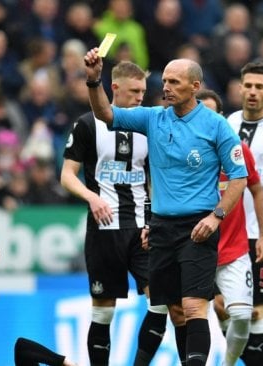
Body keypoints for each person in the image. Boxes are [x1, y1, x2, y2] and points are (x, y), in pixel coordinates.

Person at [84, 49, 248, 366]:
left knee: (193, 306)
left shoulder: (216, 126)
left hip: (198, 227)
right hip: (160, 227)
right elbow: (107, 114)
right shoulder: (153, 118)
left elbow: (239, 178)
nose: (166, 87)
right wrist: (94, 80)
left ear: (195, 86)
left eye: (174, 81)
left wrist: (216, 218)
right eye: (166, 80)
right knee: (174, 311)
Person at [60, 60, 168, 366]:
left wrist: (155, 219)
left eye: (144, 92)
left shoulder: (150, 125)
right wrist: (91, 197)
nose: (139, 98)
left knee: (160, 303)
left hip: (141, 231)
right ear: (115, 89)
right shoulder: (87, 124)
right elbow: (67, 175)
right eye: (134, 91)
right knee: (103, 311)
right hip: (104, 230)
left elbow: (154, 181)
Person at [198, 90, 263, 366]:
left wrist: (262, 234)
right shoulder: (184, 155)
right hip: (196, 248)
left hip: (234, 249)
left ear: (220, 118)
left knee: (242, 314)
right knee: (192, 314)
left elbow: (257, 189)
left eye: (211, 114)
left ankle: (228, 364)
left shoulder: (238, 151)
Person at [226, 61, 263, 366]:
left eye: (260, 87)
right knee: (221, 305)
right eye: (248, 85)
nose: (253, 92)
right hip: (227, 230)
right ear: (240, 87)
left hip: (260, 231)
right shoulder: (228, 123)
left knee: (257, 309)